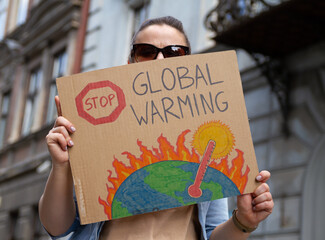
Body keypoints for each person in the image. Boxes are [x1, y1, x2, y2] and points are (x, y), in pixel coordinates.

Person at [39, 16, 273, 240]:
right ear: (130, 62)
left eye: (174, 52)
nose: (160, 61)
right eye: (147, 52)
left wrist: (243, 222)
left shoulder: (206, 137)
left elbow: (212, 232)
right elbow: (58, 229)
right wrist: (60, 167)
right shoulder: (93, 128)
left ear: (188, 62)